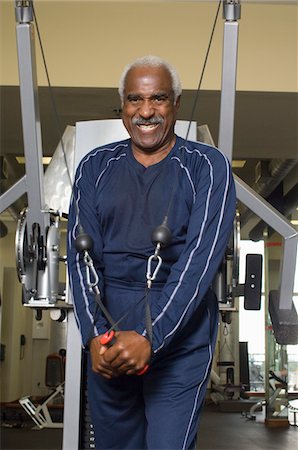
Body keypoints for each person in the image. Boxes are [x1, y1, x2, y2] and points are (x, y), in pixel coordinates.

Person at [67, 55, 236, 450]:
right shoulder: (95, 166)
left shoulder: (208, 168)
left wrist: (150, 336)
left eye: (158, 99)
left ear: (176, 103)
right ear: (123, 107)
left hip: (180, 329)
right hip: (109, 328)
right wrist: (94, 336)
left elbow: (199, 262)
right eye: (134, 100)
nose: (146, 111)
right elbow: (81, 258)